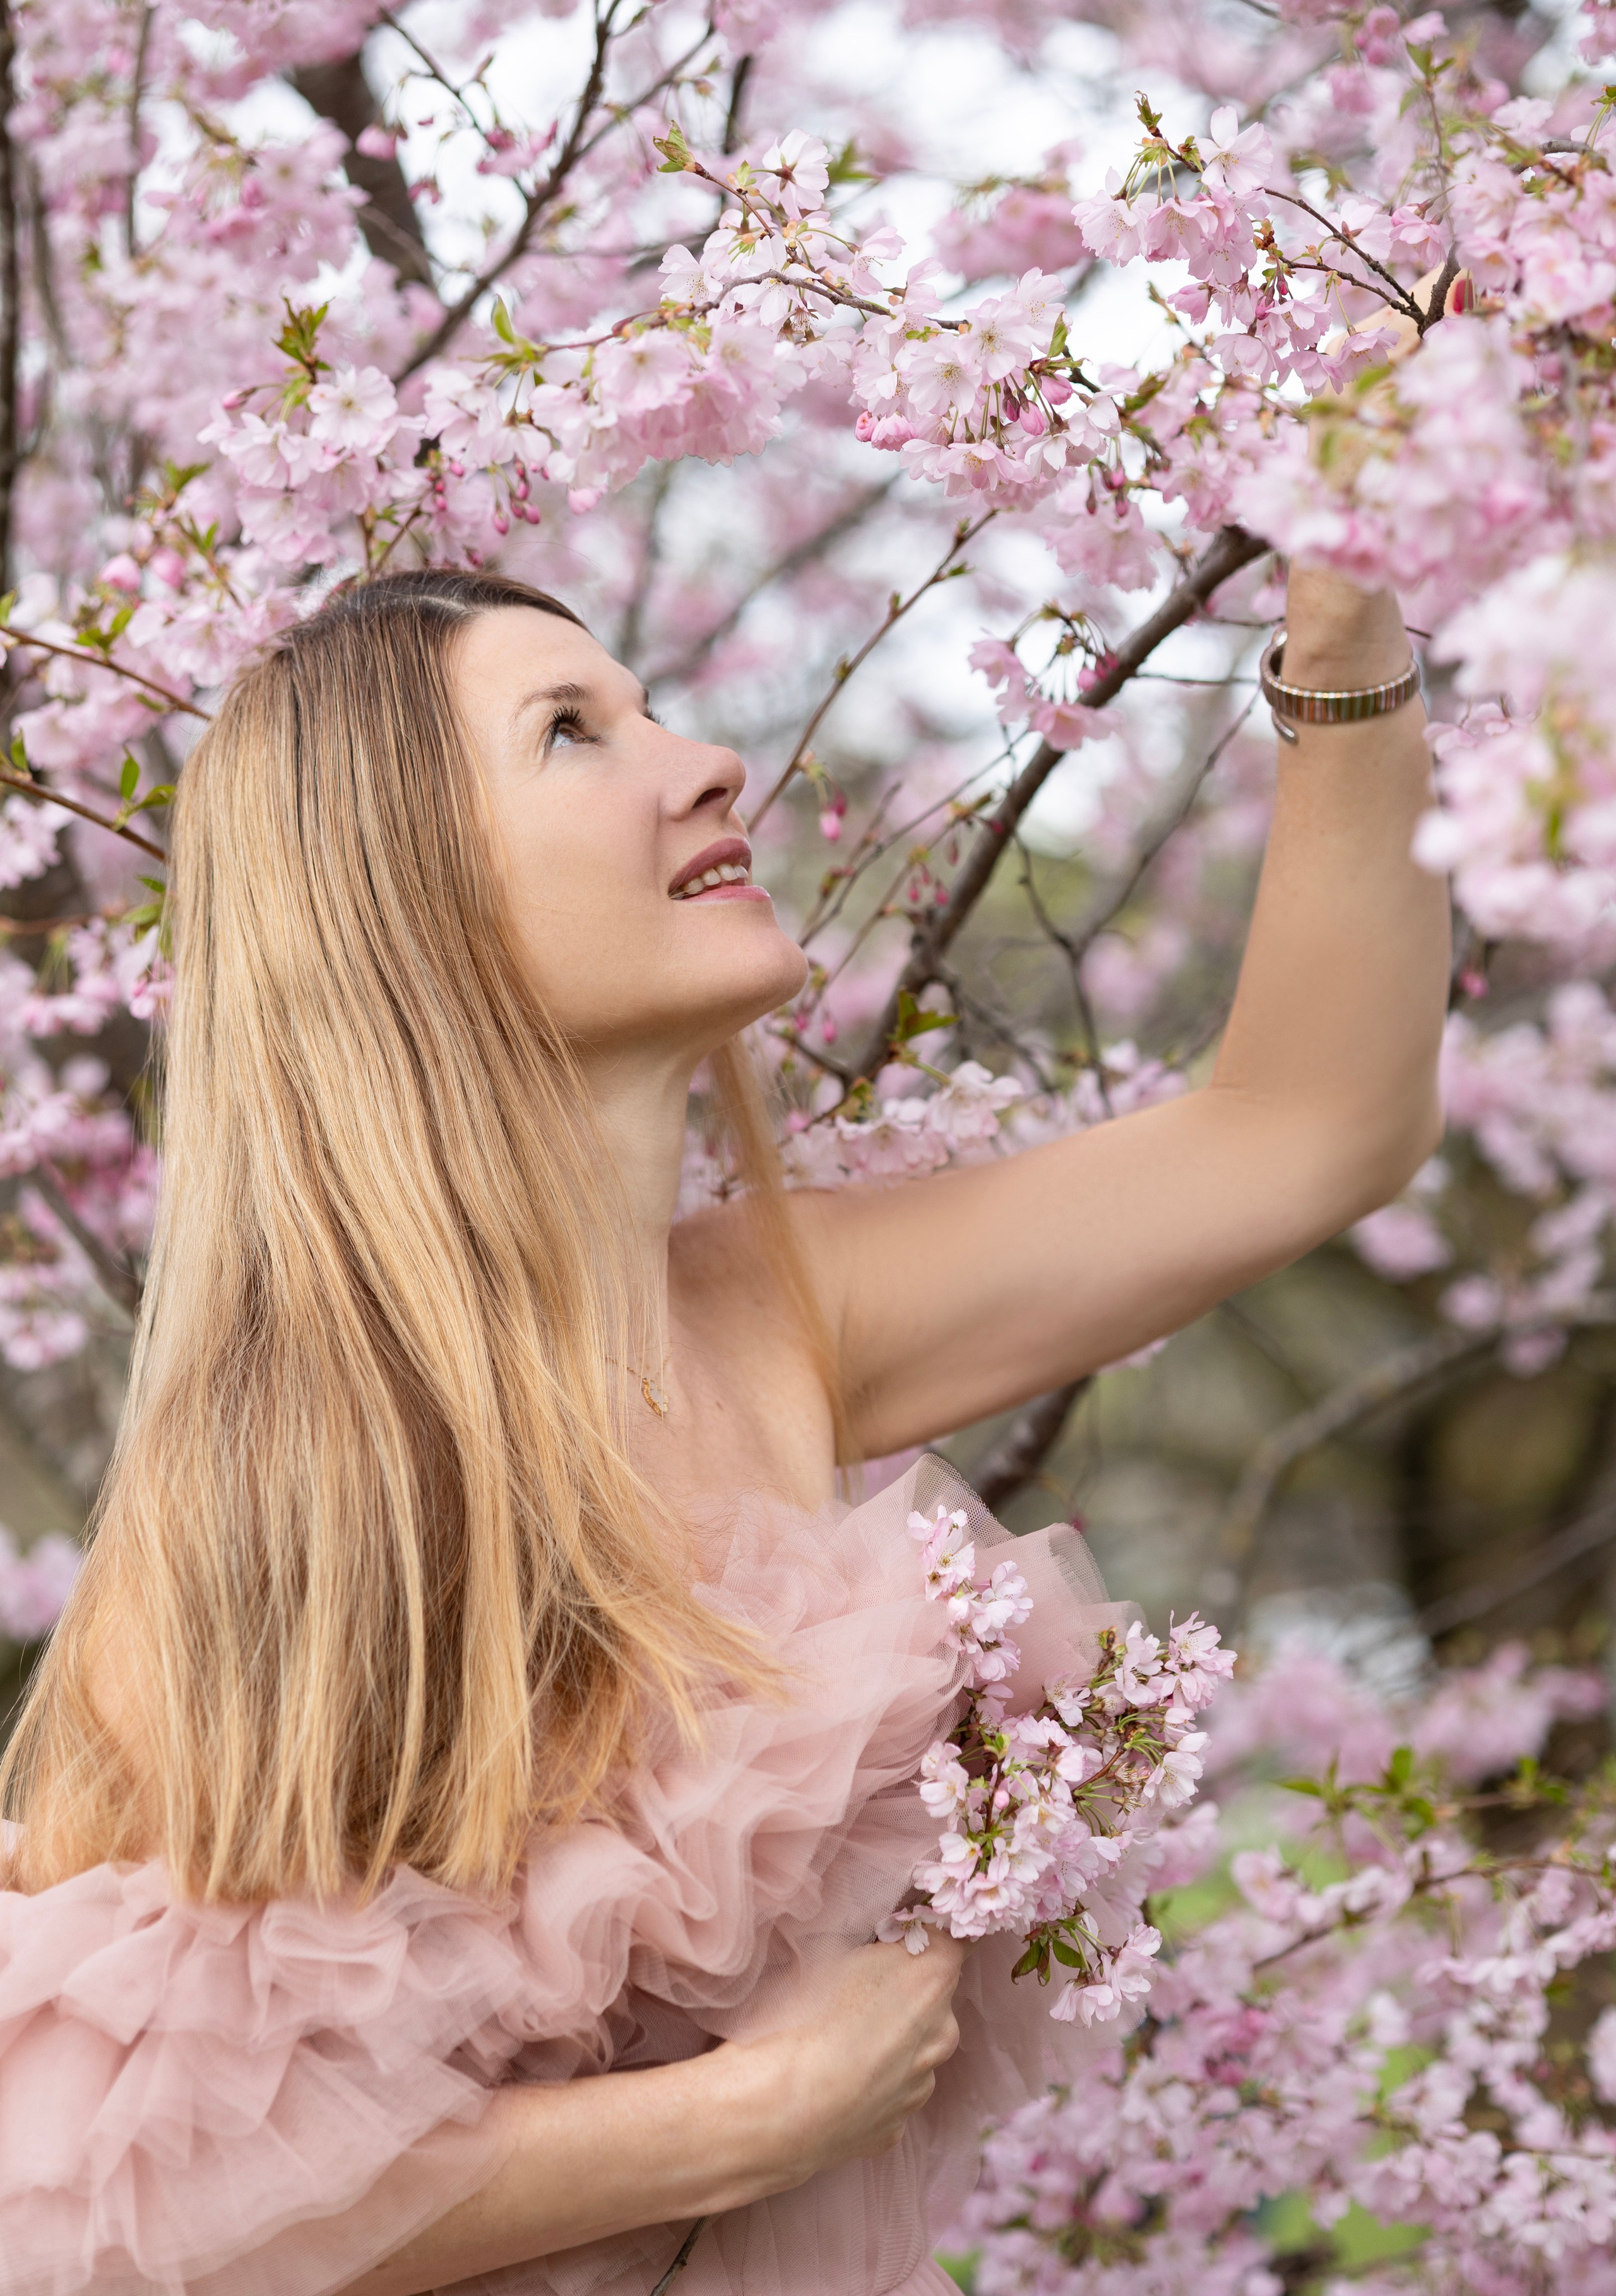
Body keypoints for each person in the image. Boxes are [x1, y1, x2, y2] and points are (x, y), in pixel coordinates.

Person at [0, 557, 1447, 2295]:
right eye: (570, 734)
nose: (702, 762)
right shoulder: (285, 1481)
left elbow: (1307, 1126)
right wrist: (749, 2116)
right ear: (403, 896)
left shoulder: (777, 1310)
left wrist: (1348, 638)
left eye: (656, 707)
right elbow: (111, 2202)